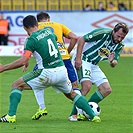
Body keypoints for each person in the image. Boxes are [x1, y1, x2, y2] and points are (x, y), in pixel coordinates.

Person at [0, 15, 101, 123]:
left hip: (46, 72)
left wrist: (3, 68)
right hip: (62, 71)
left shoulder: (31, 40)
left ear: (24, 28)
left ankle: (10, 116)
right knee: (72, 94)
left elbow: (23, 60)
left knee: (16, 85)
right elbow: (53, 41)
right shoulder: (49, 33)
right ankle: (93, 116)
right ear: (37, 24)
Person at [69, 22, 129, 120]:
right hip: (84, 59)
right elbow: (82, 39)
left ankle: (85, 109)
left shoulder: (119, 46)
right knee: (86, 86)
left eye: (122, 37)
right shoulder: (103, 33)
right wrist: (78, 58)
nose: (119, 39)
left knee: (106, 89)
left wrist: (111, 61)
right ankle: (73, 114)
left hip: (94, 64)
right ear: (113, 31)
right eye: (118, 36)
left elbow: (114, 63)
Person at [30, 11, 79, 121]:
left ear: (37, 21)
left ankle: (42, 107)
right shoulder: (58, 25)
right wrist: (67, 51)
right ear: (48, 19)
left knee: (35, 80)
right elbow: (75, 37)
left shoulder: (37, 27)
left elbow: (32, 44)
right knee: (74, 85)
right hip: (64, 58)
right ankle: (78, 113)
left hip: (48, 60)